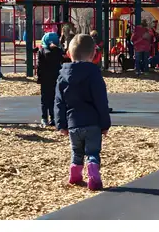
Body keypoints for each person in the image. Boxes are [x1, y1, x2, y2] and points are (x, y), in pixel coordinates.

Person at [55, 34, 111, 191]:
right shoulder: (94, 74)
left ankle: (75, 173)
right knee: (92, 151)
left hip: (73, 123)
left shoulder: (62, 76)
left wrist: (61, 124)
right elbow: (101, 100)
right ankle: (93, 175)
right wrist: (105, 123)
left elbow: (59, 102)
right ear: (93, 55)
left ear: (69, 53)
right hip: (92, 122)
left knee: (76, 151)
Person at [37, 32, 64, 127]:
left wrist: (39, 78)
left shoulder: (41, 51)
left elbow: (39, 66)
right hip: (56, 77)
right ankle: (53, 117)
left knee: (44, 99)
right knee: (54, 98)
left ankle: (44, 118)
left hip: (45, 78)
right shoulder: (59, 51)